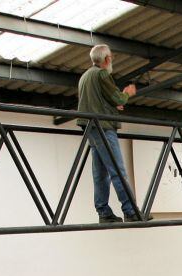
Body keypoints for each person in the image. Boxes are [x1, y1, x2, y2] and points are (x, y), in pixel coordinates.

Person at [77, 44, 142, 223]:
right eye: (111, 57)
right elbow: (118, 97)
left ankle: (103, 211)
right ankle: (130, 210)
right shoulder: (101, 74)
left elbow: (96, 100)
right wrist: (126, 94)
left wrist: (113, 103)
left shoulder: (85, 76)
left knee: (100, 173)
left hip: (90, 127)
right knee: (117, 169)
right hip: (103, 126)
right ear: (106, 59)